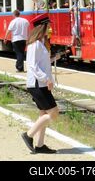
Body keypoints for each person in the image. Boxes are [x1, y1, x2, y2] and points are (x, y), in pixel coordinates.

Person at [21, 13, 58, 154]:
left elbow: (41, 63)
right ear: (42, 27)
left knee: (43, 114)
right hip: (38, 85)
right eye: (48, 26)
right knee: (54, 113)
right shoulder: (35, 44)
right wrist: (46, 79)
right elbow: (33, 66)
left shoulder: (41, 43)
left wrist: (54, 57)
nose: (50, 28)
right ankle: (28, 135)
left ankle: (40, 145)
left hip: (40, 84)